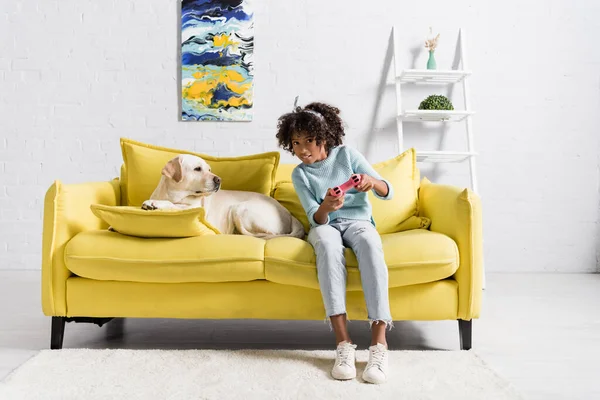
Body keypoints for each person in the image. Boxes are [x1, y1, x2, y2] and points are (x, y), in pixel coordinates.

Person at [276, 98, 394, 384]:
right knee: (328, 247)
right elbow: (315, 218)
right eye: (296, 143)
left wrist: (370, 181)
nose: (302, 150)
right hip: (326, 225)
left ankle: (379, 345)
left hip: (358, 222)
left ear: (325, 137)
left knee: (369, 245)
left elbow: (387, 191)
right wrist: (327, 206)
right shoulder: (300, 173)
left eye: (309, 141)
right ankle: (343, 345)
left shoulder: (347, 155)